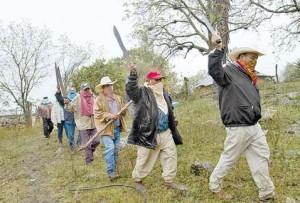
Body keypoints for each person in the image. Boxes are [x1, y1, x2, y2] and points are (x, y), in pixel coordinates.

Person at [207, 32, 275, 201]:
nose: (254, 60)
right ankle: (215, 185)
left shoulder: (249, 75)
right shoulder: (228, 71)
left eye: (256, 58)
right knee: (229, 158)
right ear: (241, 56)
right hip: (238, 126)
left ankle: (266, 192)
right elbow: (214, 71)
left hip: (254, 125)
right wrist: (217, 50)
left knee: (261, 156)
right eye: (251, 57)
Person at [126, 62, 186, 193]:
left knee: (170, 155)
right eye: (157, 79)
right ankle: (138, 181)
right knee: (144, 158)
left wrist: (173, 121)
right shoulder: (142, 93)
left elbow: (169, 109)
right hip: (148, 133)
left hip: (166, 132)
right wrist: (133, 74)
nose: (160, 81)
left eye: (161, 79)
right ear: (150, 80)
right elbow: (131, 90)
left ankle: (169, 181)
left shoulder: (164, 94)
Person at [93, 76, 127, 181]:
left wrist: (122, 111)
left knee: (116, 148)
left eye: (110, 85)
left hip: (116, 127)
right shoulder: (99, 100)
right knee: (110, 148)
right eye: (106, 86)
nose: (109, 87)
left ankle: (115, 170)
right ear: (103, 88)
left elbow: (124, 113)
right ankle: (111, 172)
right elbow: (98, 114)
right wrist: (110, 115)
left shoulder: (118, 98)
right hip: (106, 129)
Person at [65, 82, 100, 165]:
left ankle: (90, 152)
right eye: (85, 89)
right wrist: (67, 103)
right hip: (83, 125)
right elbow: (70, 108)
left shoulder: (93, 97)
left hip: (94, 124)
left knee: (97, 140)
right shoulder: (77, 98)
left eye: (88, 89)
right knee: (86, 144)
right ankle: (89, 161)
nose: (87, 90)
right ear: (81, 90)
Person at [55, 86, 77, 150]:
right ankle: (72, 147)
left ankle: (79, 142)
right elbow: (59, 97)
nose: (72, 94)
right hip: (69, 121)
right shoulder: (65, 99)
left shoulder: (78, 98)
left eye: (73, 93)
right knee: (70, 135)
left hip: (78, 119)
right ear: (69, 93)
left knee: (82, 133)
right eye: (71, 93)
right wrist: (58, 91)